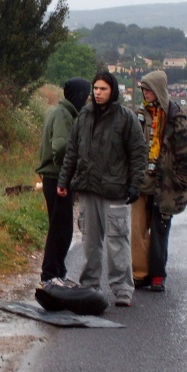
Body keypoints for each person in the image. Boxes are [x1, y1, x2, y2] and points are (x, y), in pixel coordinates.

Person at [57, 71, 148, 307]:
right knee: (90, 241)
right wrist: (63, 181)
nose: (98, 93)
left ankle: (122, 289)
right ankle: (90, 286)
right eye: (95, 89)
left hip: (114, 190)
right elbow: (72, 151)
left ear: (113, 91)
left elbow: (138, 153)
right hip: (87, 189)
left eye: (103, 89)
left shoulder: (126, 119)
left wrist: (135, 184)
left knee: (117, 241)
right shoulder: (84, 116)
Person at [131, 70, 187, 292]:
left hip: (165, 187)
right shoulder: (138, 115)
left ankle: (157, 275)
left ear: (158, 90)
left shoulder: (175, 119)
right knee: (137, 231)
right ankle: (139, 274)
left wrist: (180, 182)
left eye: (149, 89)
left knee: (160, 231)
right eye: (143, 89)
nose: (145, 93)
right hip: (141, 184)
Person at [35, 78, 92, 285]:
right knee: (60, 228)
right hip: (56, 178)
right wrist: (67, 171)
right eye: (86, 95)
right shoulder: (63, 115)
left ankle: (59, 271)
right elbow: (60, 147)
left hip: (56, 177)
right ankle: (49, 275)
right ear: (78, 95)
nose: (87, 99)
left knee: (64, 228)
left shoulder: (63, 112)